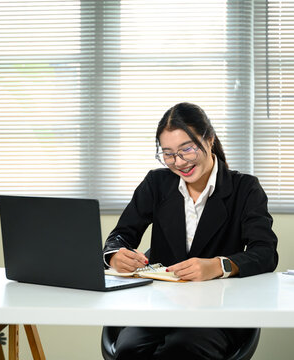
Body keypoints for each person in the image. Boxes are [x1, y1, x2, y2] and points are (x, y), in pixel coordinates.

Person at [102, 102, 278, 360]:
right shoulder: (156, 183)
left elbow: (265, 253)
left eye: (187, 150)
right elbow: (120, 236)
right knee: (128, 350)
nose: (179, 162)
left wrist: (219, 266)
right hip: (159, 307)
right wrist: (115, 254)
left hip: (217, 311)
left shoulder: (245, 189)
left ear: (209, 139)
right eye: (169, 154)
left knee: (181, 349)